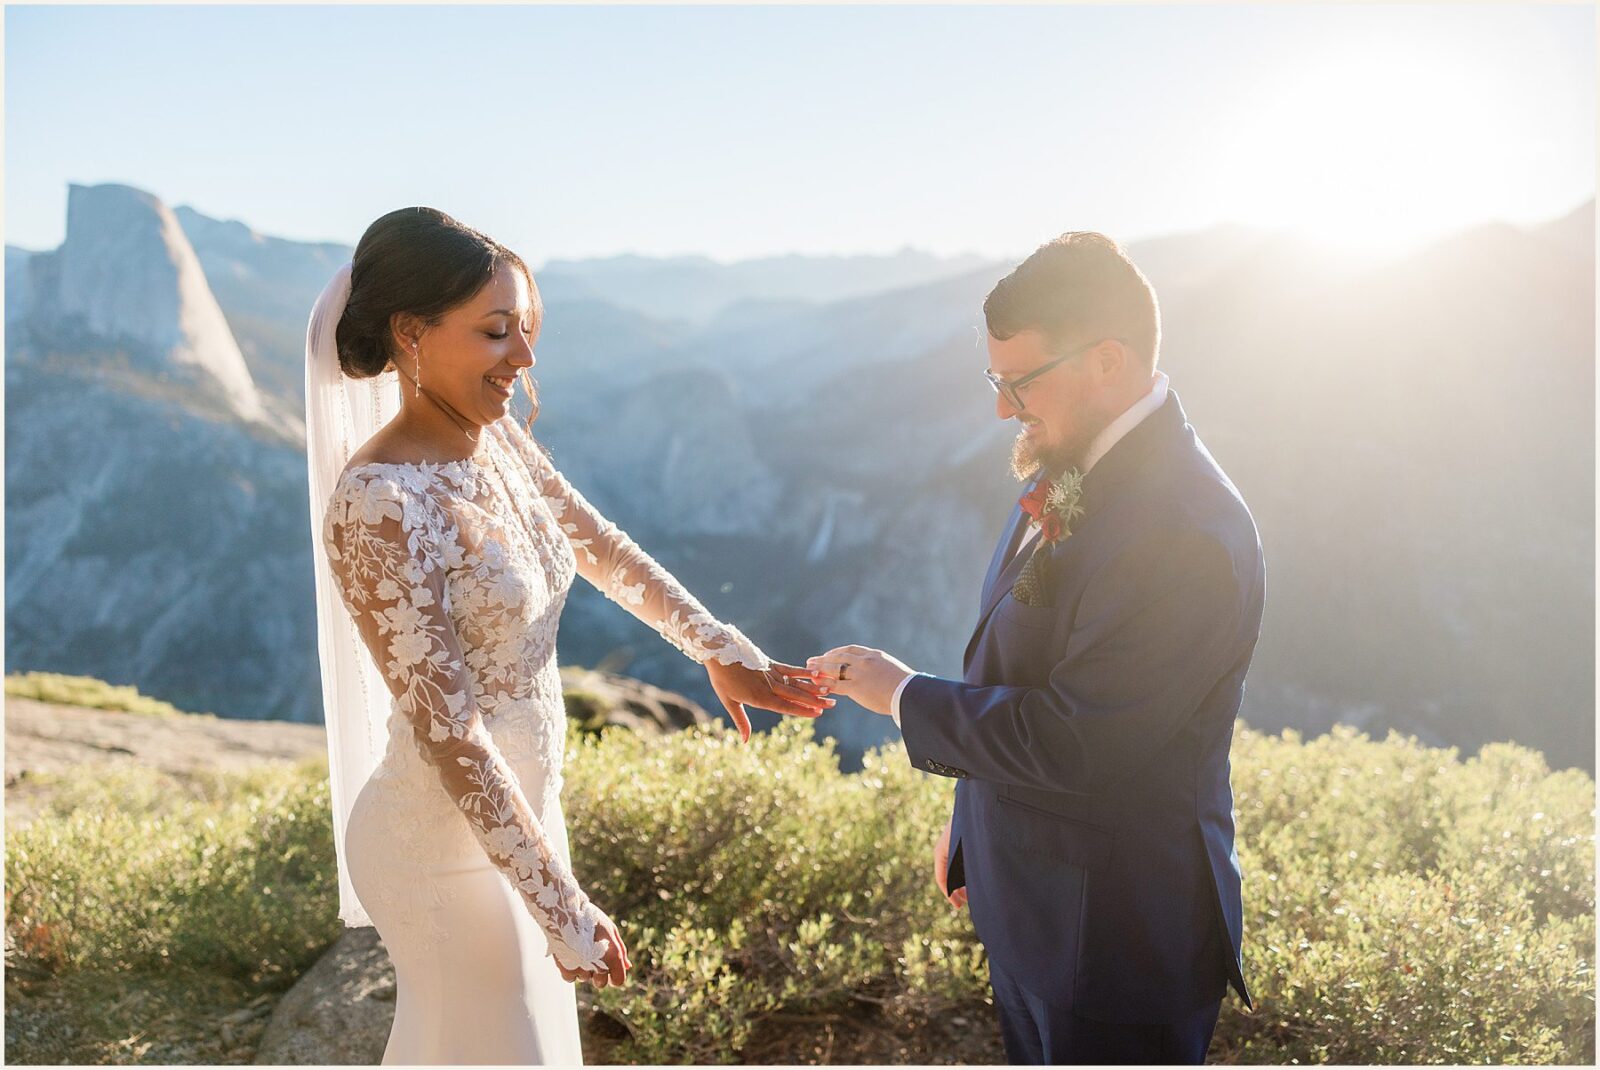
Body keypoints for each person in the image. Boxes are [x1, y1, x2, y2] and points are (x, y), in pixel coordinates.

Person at [304, 206, 830, 1064]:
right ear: (410, 332)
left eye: (526, 329)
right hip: (435, 846)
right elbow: (449, 729)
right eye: (495, 331)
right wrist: (560, 904)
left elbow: (598, 546)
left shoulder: (495, 441)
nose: (524, 356)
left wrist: (719, 649)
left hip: (522, 818)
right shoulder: (380, 504)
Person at [811, 232, 1264, 1064]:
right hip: (1035, 915)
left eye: (1019, 382)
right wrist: (972, 826)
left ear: (1107, 362)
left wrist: (902, 695)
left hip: (1119, 947)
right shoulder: (1071, 458)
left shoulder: (1184, 532)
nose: (1001, 409)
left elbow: (1076, 739)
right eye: (996, 381)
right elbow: (1014, 665)